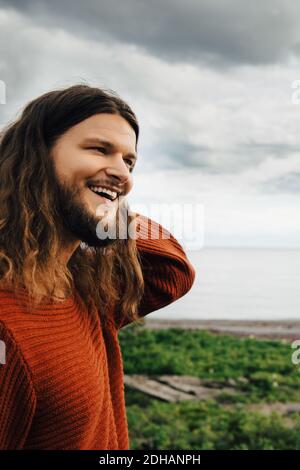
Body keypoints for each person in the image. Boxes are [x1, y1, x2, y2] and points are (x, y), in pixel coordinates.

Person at [0, 84, 195, 450]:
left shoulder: (83, 288)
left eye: (129, 161)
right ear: (36, 156)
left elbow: (173, 271)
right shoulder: (7, 322)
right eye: (99, 149)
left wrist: (106, 205)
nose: (123, 174)